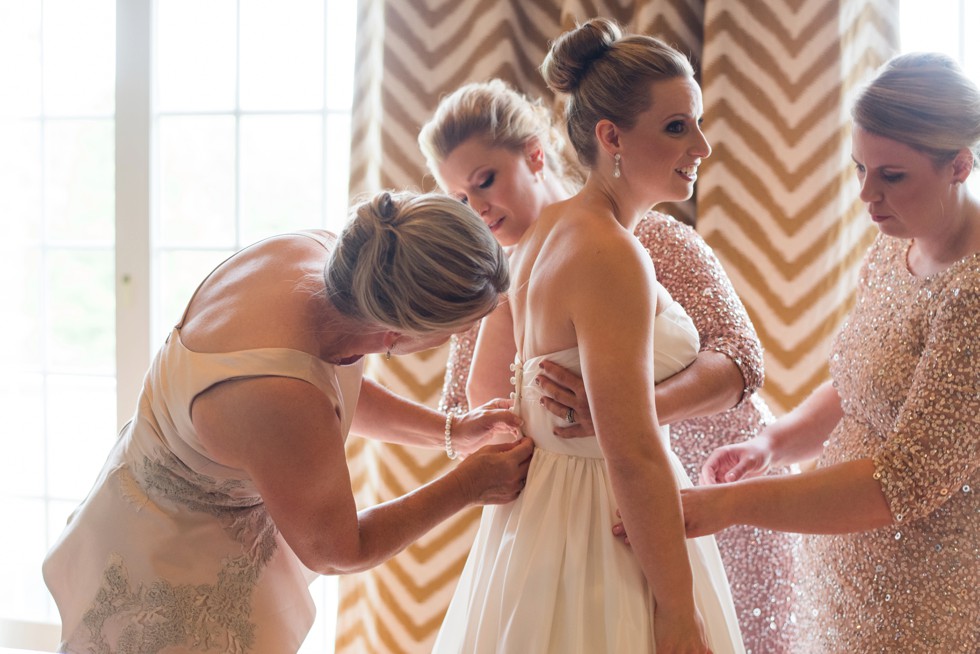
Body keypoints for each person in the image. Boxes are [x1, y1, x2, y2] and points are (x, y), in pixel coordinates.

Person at [42, 190, 536, 653]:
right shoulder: (275, 392)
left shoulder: (339, 264)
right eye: (457, 332)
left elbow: (334, 381)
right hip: (167, 565)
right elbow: (339, 549)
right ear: (396, 335)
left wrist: (450, 430)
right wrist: (468, 485)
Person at [420, 79, 796, 654]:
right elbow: (472, 412)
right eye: (462, 199)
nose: (480, 208)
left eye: (485, 181)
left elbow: (741, 361)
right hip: (599, 514)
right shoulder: (497, 280)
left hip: (717, 485)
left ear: (535, 155)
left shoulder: (652, 238)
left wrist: (621, 414)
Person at [683, 52, 980, 652]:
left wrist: (730, 507)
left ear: (959, 166)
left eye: (892, 175)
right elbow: (855, 388)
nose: (868, 194)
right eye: (859, 168)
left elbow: (900, 483)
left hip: (924, 601)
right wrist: (771, 444)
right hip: (844, 580)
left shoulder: (971, 298)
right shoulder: (895, 246)